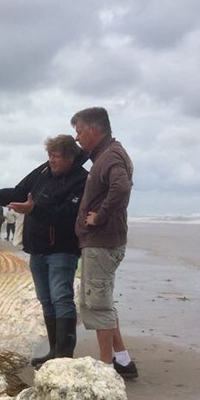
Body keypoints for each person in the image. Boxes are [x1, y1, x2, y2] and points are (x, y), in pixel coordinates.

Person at [0, 134, 88, 368]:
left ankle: (64, 357)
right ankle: (53, 352)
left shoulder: (82, 180)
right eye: (49, 155)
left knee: (62, 298)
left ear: (71, 157)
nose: (51, 160)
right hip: (38, 248)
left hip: (63, 249)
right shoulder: (43, 172)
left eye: (57, 156)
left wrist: (35, 209)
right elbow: (20, 191)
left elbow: (69, 216)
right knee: (46, 299)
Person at [71, 107, 137, 379]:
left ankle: (105, 369)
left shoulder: (110, 155)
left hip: (102, 241)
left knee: (97, 305)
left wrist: (99, 216)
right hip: (100, 242)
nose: (77, 138)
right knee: (103, 301)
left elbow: (121, 187)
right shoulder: (105, 154)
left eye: (79, 132)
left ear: (93, 130)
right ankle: (122, 361)